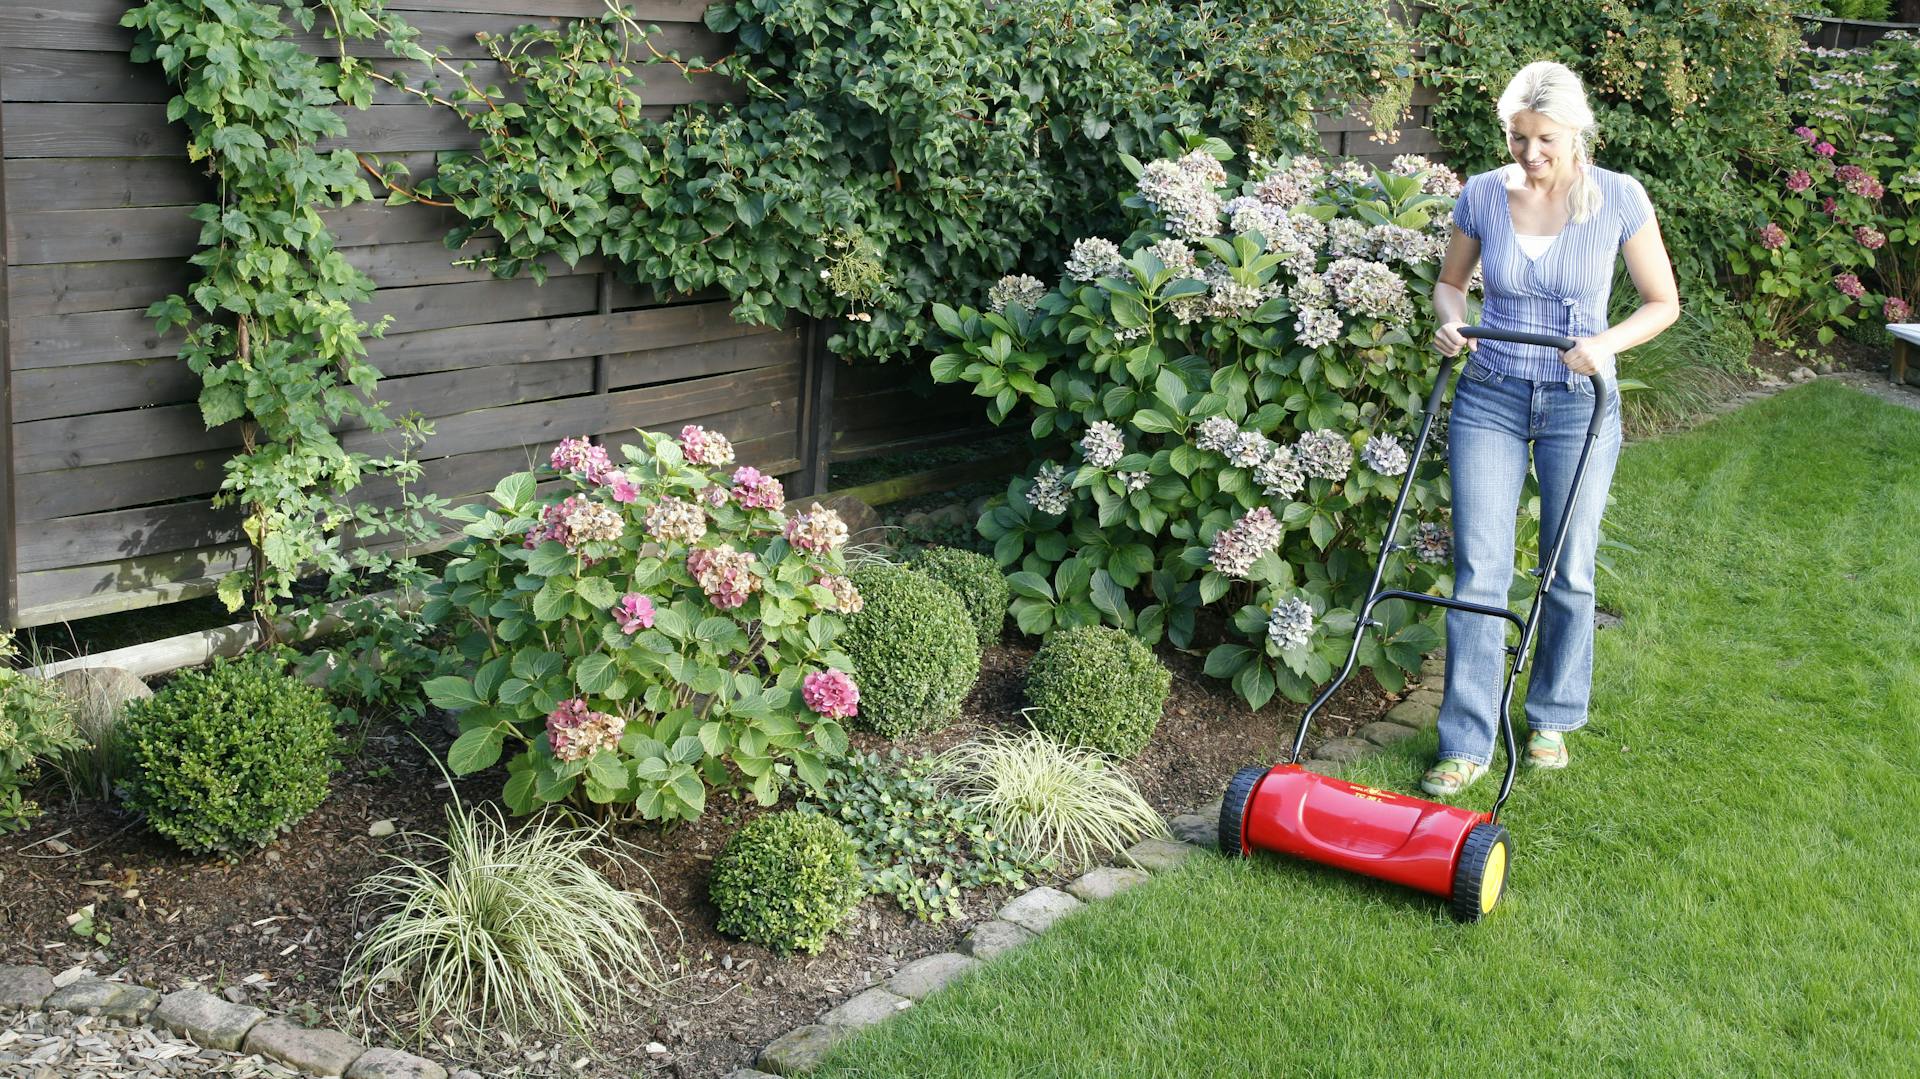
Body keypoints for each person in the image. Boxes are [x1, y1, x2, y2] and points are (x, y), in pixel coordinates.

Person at [1421, 61, 1679, 796]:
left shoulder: (1619, 199)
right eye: (1518, 137)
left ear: (1577, 132)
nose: (1530, 154)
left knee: (1569, 565)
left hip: (1578, 402)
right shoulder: (1480, 194)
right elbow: (1450, 285)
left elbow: (1662, 302)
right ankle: (1466, 740)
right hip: (1492, 393)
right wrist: (1451, 325)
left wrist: (1606, 345)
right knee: (1479, 567)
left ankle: (1553, 716)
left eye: (1545, 140)